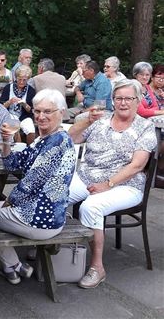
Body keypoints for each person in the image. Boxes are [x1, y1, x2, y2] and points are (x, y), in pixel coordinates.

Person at [68, 79, 157, 289]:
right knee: (56, 193)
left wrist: (107, 184)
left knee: (91, 206)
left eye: (129, 98)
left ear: (138, 101)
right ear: (113, 100)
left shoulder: (145, 127)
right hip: (87, 175)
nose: (124, 103)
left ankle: (97, 267)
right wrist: (87, 120)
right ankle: (51, 244)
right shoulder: (100, 121)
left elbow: (137, 165)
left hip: (126, 184)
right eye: (119, 98)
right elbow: (71, 138)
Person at [0, 89, 76, 285]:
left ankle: (11, 265)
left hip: (40, 219)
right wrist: (6, 140)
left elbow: (29, 183)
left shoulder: (58, 142)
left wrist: (7, 203)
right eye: (37, 111)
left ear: (61, 112)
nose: (41, 116)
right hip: (46, 215)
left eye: (48, 111)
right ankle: (13, 266)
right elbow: (13, 163)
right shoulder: (43, 139)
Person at [0, 65, 36, 144]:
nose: (22, 82)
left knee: (31, 130)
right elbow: (1, 107)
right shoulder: (8, 88)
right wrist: (9, 102)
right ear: (16, 78)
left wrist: (24, 104)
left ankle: (30, 150)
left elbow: (31, 111)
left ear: (28, 79)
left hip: (24, 116)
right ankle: (18, 150)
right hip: (10, 114)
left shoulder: (31, 91)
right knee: (15, 130)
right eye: (19, 79)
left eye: (24, 80)